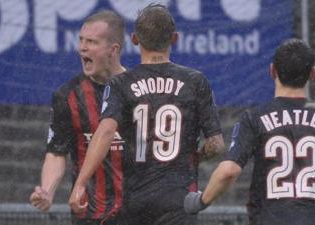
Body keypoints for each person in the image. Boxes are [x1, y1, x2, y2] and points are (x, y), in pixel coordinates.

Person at [184, 38, 315, 225]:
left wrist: (201, 201)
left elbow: (229, 171)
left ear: (272, 71)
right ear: (312, 74)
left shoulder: (255, 118)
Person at [69, 3, 225, 225]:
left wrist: (81, 183)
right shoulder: (195, 81)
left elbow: (104, 133)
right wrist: (195, 155)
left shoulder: (121, 83)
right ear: (174, 38)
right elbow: (217, 145)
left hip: (136, 199)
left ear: (135, 39)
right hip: (180, 198)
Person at [29, 10, 126, 225]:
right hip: (89, 213)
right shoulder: (68, 96)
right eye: (81, 40)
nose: (82, 47)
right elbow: (56, 153)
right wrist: (47, 190)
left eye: (91, 42)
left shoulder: (139, 91)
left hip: (138, 212)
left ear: (113, 50)